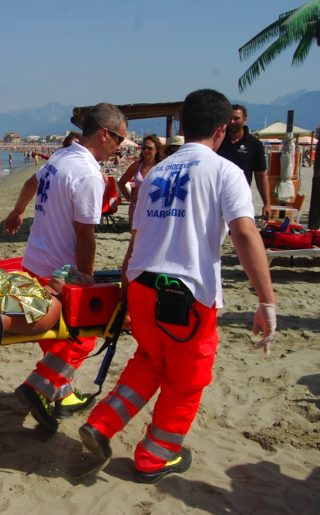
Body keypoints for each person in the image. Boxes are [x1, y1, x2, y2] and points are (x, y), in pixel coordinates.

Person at [79, 89, 277, 484]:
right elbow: (244, 232)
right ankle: (157, 454)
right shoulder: (224, 172)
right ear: (222, 129)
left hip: (142, 283)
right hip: (185, 291)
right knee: (188, 378)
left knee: (150, 361)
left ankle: (102, 423)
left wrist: (126, 282)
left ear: (183, 127)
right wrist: (266, 300)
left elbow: (138, 235)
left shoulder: (156, 173)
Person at [3, 102, 127, 432]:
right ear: (104, 134)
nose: (120, 148)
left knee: (53, 337)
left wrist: (18, 212)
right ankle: (38, 386)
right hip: (59, 269)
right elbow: (85, 235)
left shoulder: (62, 157)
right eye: (119, 140)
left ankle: (63, 393)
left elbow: (31, 181)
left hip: (35, 261)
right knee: (84, 334)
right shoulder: (87, 173)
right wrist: (85, 279)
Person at [217, 104, 270, 219]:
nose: (232, 121)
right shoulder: (217, 141)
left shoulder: (254, 144)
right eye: (229, 118)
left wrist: (267, 203)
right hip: (216, 196)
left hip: (240, 197)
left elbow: (261, 176)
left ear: (245, 119)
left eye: (236, 118)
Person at [118, 134, 162, 227]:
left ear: (157, 150)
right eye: (143, 148)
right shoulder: (137, 166)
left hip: (156, 208)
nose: (146, 150)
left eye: (149, 148)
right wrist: (128, 198)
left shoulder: (162, 166)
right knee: (135, 238)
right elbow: (121, 182)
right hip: (136, 207)